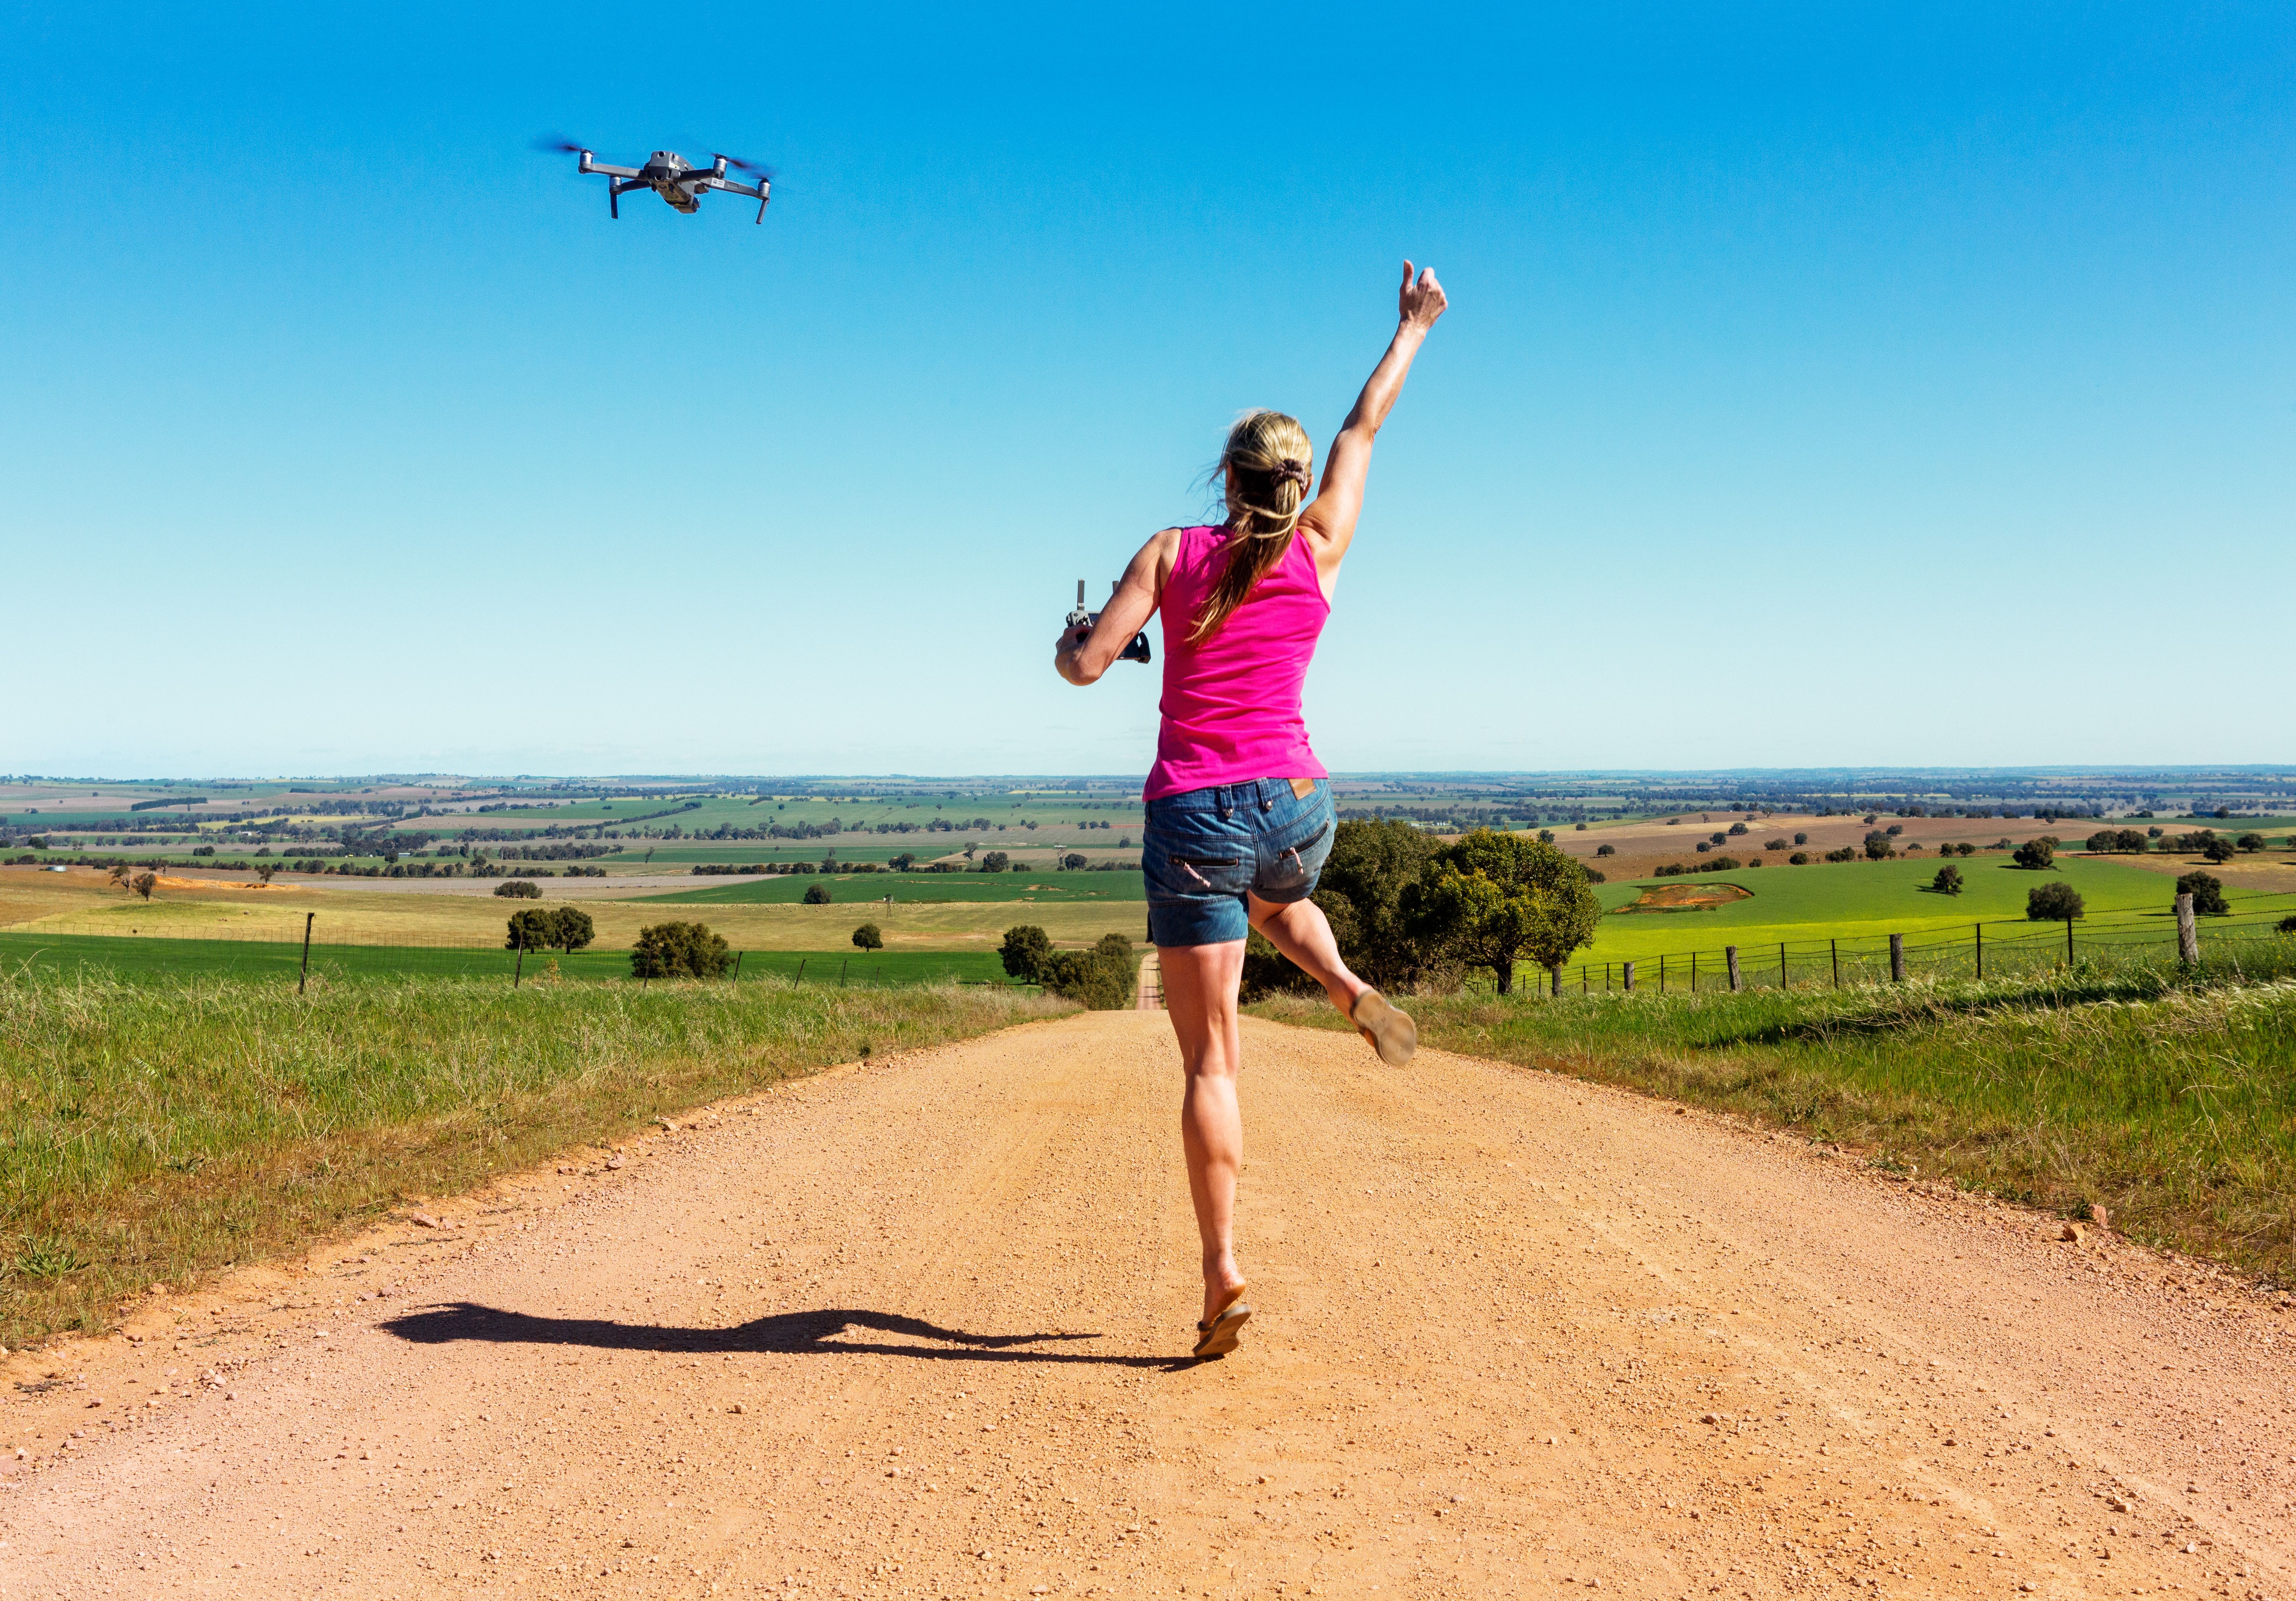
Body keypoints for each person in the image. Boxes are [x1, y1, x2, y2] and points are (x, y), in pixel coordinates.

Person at [1054, 262, 1449, 1359]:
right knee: (1278, 897)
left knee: (1212, 1061)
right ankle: (1346, 983)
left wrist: (1074, 646)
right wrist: (1413, 325)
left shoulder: (1172, 554)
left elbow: (1087, 668)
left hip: (1194, 813)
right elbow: (1366, 426)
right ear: (1294, 479)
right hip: (1297, 804)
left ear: (1225, 477)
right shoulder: (1322, 549)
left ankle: (1224, 1270)